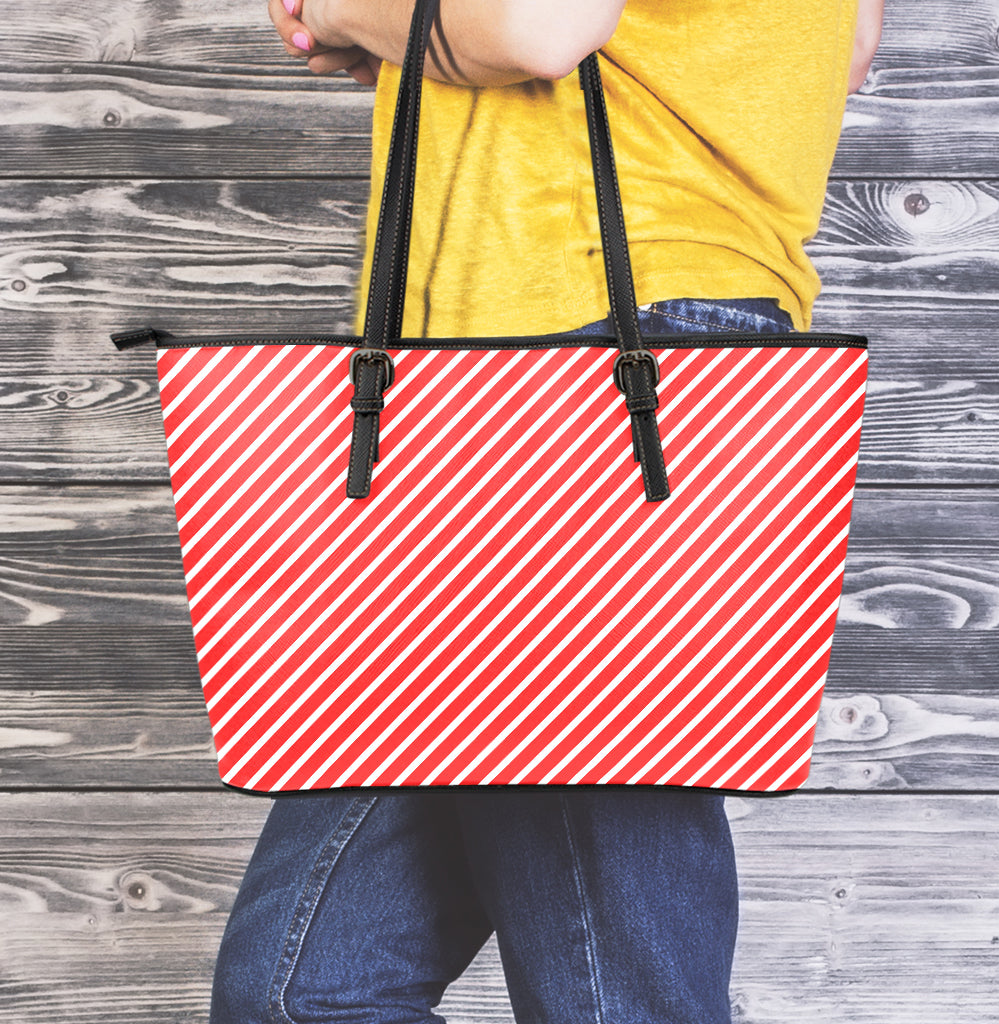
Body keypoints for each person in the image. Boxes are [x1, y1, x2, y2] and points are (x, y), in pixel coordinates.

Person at [210, 2, 884, 1022]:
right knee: (302, 993)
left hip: (579, 348)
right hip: (545, 367)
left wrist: (343, 6)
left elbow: (532, 28)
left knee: (608, 997)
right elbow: (838, 48)